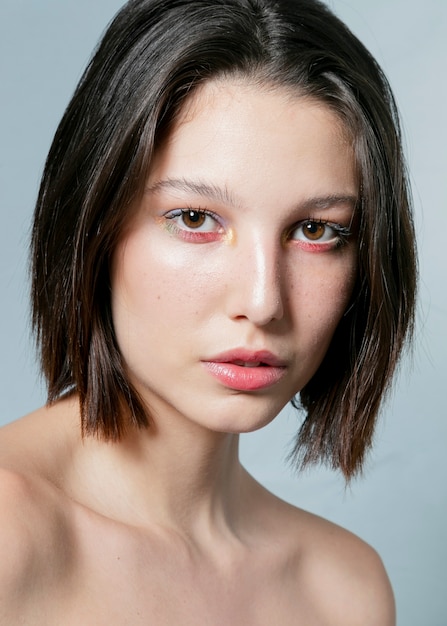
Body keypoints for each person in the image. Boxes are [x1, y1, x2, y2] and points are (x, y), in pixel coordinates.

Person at [0, 0, 416, 623]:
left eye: (316, 230)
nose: (263, 300)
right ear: (93, 225)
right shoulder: (10, 537)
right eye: (194, 219)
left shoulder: (344, 591)